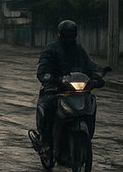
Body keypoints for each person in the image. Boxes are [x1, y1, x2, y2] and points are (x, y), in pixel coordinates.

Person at [30, 19, 104, 152]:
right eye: (66, 35)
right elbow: (43, 67)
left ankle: (85, 137)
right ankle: (45, 140)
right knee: (48, 105)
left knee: (91, 101)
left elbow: (89, 65)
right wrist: (49, 77)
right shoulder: (52, 49)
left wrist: (97, 76)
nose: (69, 38)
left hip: (75, 90)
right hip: (56, 88)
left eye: (72, 35)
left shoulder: (79, 50)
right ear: (60, 35)